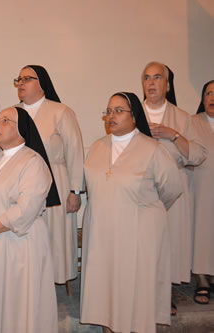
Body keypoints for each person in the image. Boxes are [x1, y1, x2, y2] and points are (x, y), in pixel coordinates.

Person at [80, 92, 183, 333]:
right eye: (108, 111)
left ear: (134, 115)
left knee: (134, 292)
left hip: (139, 233)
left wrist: (144, 211)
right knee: (106, 291)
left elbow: (172, 188)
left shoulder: (152, 149)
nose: (111, 116)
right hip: (101, 233)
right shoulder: (97, 146)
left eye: (118, 110)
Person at [0, 106, 59, 333]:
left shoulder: (33, 162)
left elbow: (27, 207)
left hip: (18, 244)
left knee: (19, 303)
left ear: (22, 130)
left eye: (5, 121)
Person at [141, 62, 206, 314]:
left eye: (157, 77)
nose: (151, 82)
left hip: (173, 190)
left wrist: (174, 135)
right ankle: (144, 290)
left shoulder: (183, 118)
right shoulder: (132, 114)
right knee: (144, 243)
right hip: (141, 190)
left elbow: (199, 155)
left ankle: (164, 292)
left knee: (168, 243)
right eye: (147, 78)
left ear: (167, 85)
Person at [14, 65, 84, 285]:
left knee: (54, 236)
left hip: (57, 181)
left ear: (42, 83)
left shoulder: (60, 111)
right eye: (19, 79)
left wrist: (75, 190)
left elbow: (75, 151)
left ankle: (52, 284)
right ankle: (28, 283)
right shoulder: (11, 113)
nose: (21, 83)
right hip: (20, 184)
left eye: (28, 78)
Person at [191, 79, 214, 305]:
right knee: (202, 232)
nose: (212, 97)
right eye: (208, 92)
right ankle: (202, 280)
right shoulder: (192, 122)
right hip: (200, 186)